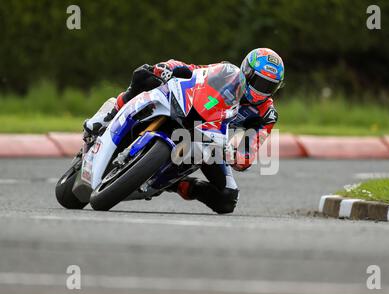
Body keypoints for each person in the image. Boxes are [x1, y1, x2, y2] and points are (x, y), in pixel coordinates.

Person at [84, 48, 285, 214]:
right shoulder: (227, 72)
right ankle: (107, 116)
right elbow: (195, 71)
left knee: (227, 199)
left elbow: (248, 153)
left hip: (210, 139)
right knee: (145, 75)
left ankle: (176, 184)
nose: (263, 90)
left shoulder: (266, 115)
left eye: (270, 86)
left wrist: (234, 154)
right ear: (246, 72)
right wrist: (168, 68)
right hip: (190, 108)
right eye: (260, 83)